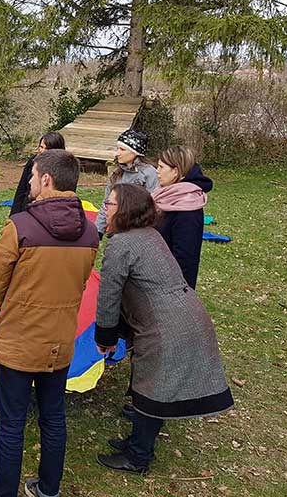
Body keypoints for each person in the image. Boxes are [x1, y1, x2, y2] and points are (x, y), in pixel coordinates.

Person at [0, 150, 99, 497]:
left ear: (47, 180)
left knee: (11, 421)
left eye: (33, 176)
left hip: (20, 339)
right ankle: (48, 494)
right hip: (60, 339)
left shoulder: (20, 227)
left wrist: (11, 311)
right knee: (53, 418)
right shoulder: (90, 232)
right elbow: (81, 279)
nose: (28, 182)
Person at [94, 183, 234, 474]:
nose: (104, 208)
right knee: (154, 386)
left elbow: (109, 294)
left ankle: (138, 456)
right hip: (185, 315)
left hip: (167, 325)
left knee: (153, 388)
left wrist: (105, 335)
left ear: (125, 211)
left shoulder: (121, 245)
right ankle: (137, 442)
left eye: (110, 204)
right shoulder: (150, 235)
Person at [153, 146, 213, 289]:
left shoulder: (187, 208)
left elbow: (185, 258)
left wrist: (177, 293)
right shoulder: (165, 196)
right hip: (154, 277)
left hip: (171, 287)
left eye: (161, 167)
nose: (157, 171)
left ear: (175, 172)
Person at [95, 129, 158, 237]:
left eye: (122, 149)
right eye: (117, 148)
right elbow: (106, 203)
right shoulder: (116, 174)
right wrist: (98, 230)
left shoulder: (149, 173)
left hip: (140, 231)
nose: (117, 153)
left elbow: (154, 204)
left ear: (135, 152)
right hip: (117, 230)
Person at [10, 131, 65, 215]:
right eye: (41, 147)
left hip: (49, 212)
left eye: (47, 149)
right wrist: (14, 215)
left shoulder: (63, 168)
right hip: (26, 209)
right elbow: (21, 189)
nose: (42, 151)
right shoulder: (33, 161)